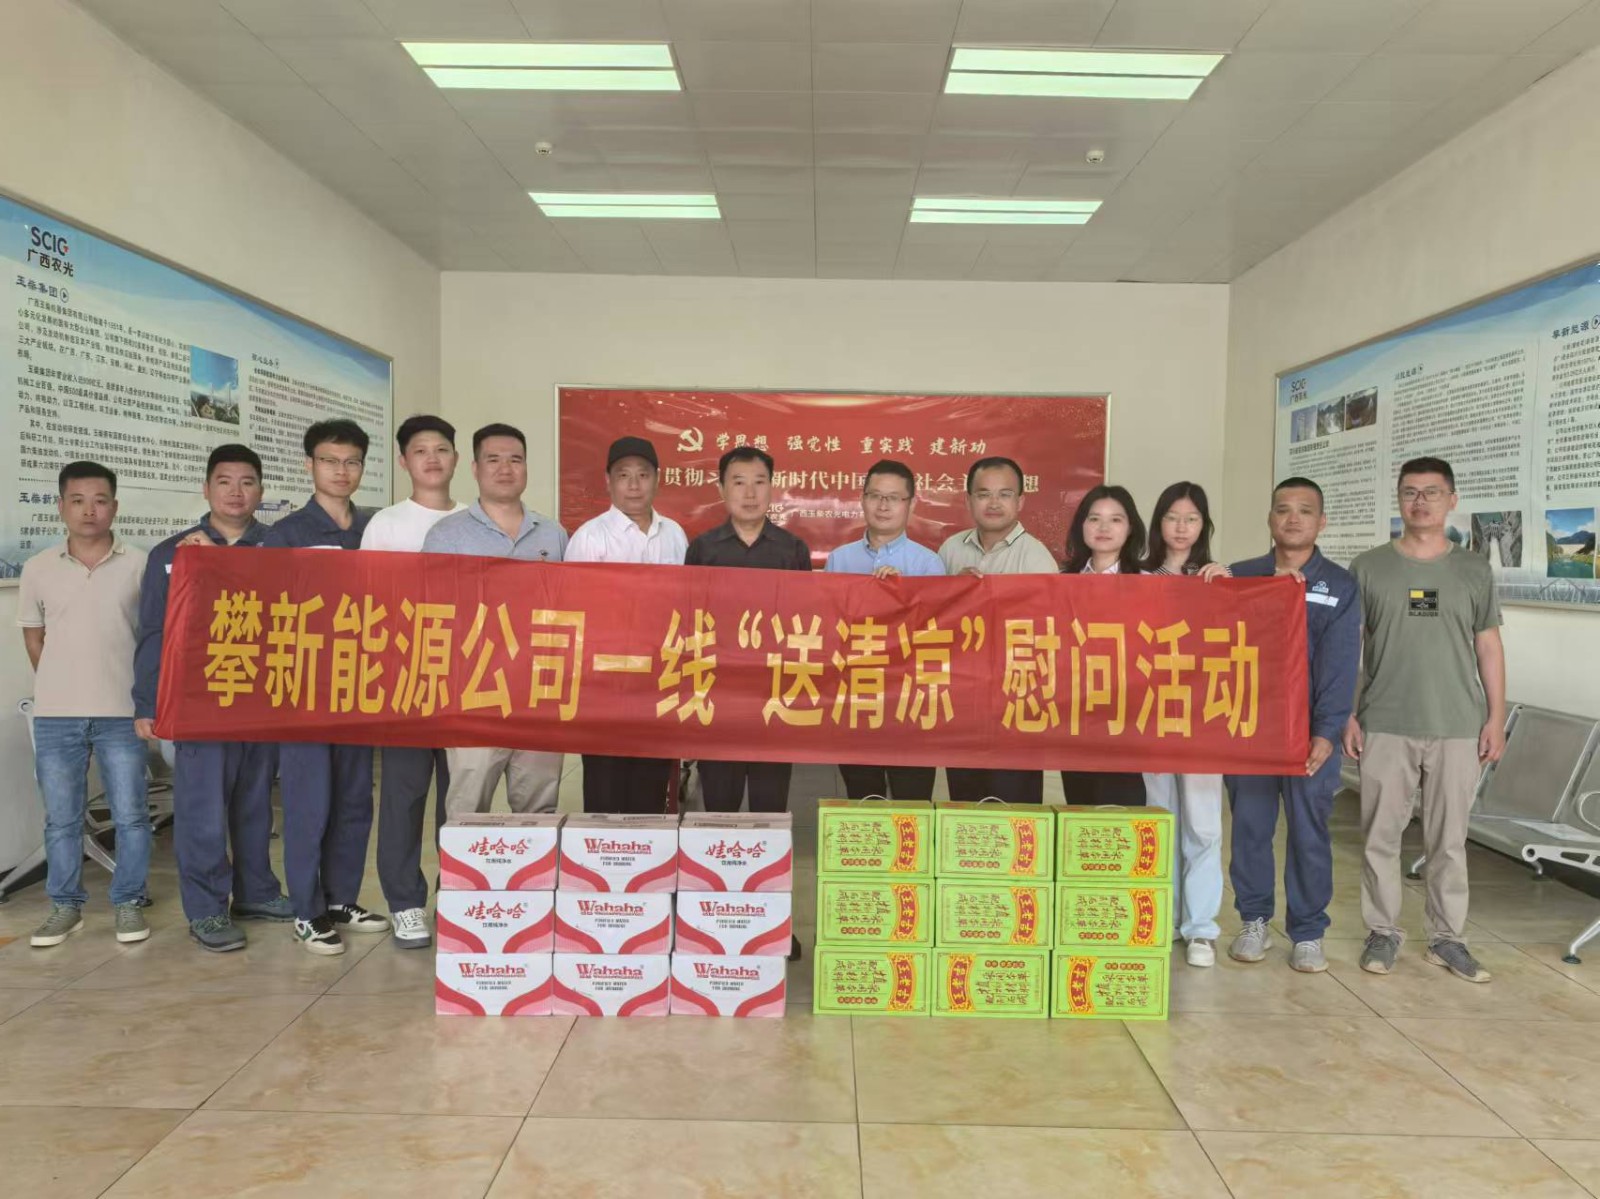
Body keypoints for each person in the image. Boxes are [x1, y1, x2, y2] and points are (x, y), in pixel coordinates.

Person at [1344, 457, 1505, 984]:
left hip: (1457, 724)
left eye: (1432, 492)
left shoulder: (1474, 569)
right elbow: (1352, 647)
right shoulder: (1369, 567)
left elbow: (1488, 645)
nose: (1420, 502)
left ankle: (1447, 938)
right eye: (1410, 492)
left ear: (1451, 500)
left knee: (1449, 840)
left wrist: (1495, 716)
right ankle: (1382, 931)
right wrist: (1348, 712)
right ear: (1399, 499)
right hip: (1384, 720)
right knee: (1380, 836)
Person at [133, 444, 290, 952]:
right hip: (198, 700)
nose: (236, 492)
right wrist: (146, 701)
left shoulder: (280, 548)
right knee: (202, 810)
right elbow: (154, 631)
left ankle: (256, 892)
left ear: (260, 491)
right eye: (224, 481)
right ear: (206, 489)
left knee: (255, 803)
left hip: (261, 697)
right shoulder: (172, 554)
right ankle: (205, 909)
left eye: (247, 482)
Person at [1211, 478, 1360, 973]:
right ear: (1270, 519)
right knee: (1250, 829)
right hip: (1250, 731)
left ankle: (1308, 931)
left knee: (1308, 832)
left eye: (1305, 510)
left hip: (1309, 737)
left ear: (1322, 522)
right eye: (1283, 509)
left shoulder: (1338, 585)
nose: (1293, 518)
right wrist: (1207, 583)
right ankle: (1253, 920)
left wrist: (1326, 731)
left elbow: (1341, 665)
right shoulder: (1241, 576)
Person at [262, 420, 389, 955]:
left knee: (355, 800)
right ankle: (306, 910)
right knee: (308, 803)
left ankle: (340, 899)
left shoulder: (375, 530)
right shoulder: (287, 534)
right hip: (307, 690)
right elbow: (266, 610)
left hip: (360, 685)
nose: (342, 471)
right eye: (330, 461)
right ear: (309, 465)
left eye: (352, 461)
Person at [19, 462, 151, 949]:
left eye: (99, 500)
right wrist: (61, 683)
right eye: (77, 500)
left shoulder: (139, 564)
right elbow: (35, 638)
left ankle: (129, 901)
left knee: (131, 815)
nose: (89, 510)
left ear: (115, 506)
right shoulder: (38, 568)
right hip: (57, 716)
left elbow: (150, 639)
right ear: (61, 507)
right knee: (61, 819)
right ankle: (65, 907)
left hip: (122, 712)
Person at [422, 423, 567, 825]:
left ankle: (533, 871)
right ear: (474, 468)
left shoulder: (553, 534)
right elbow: (431, 613)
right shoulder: (446, 536)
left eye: (515, 460)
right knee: (467, 813)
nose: (505, 468)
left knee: (540, 814)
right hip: (474, 695)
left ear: (526, 468)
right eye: (494, 459)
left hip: (538, 695)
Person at [360, 415, 466, 950]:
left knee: (462, 797)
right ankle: (404, 903)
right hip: (404, 680)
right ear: (404, 461)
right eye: (421, 450)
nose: (432, 458)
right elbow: (369, 602)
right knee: (403, 797)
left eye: (441, 449)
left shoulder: (474, 519)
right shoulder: (386, 524)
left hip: (467, 679)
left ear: (456, 459)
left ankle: (458, 893)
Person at [686, 445, 811, 814]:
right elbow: (690, 622)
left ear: (772, 488)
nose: (750, 493)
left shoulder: (792, 550)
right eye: (739, 482)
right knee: (719, 804)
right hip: (718, 695)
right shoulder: (703, 549)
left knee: (769, 804)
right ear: (721, 489)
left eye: (760, 482)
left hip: (773, 696)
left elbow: (806, 622)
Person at [565, 435, 687, 813]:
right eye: (623, 475)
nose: (634, 485)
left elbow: (686, 607)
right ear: (608, 481)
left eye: (643, 475)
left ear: (657, 479)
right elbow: (574, 612)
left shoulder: (675, 534)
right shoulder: (589, 537)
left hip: (658, 682)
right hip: (605, 685)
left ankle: (646, 852)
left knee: (650, 787)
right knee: (605, 787)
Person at [1138, 481, 1226, 967]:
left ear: (1203, 526)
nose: (1181, 527)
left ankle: (1201, 929)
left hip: (1202, 717)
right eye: (1172, 517)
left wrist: (1230, 589)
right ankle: (1165, 918)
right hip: (1151, 715)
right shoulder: (1138, 577)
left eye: (1191, 519)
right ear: (1158, 523)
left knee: (1203, 824)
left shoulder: (1217, 578)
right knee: (1160, 817)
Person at [938, 456, 1058, 804]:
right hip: (962, 698)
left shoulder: (1036, 558)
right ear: (968, 500)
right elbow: (932, 620)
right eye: (983, 494)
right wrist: (950, 590)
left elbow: (1047, 633)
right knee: (966, 800)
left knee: (1014, 802)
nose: (993, 503)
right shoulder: (950, 550)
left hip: (1015, 700)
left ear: (1020, 501)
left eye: (1004, 494)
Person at [825, 459, 944, 801]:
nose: (883, 505)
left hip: (911, 705)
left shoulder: (929, 563)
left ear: (911, 504)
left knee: (912, 802)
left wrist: (903, 596)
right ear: (862, 499)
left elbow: (938, 635)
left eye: (894, 498)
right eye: (875, 496)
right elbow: (829, 629)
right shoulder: (839, 560)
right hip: (857, 702)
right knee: (864, 800)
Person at [1058, 484, 1148, 809]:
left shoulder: (1149, 583)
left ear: (1130, 528)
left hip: (1126, 716)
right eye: (1094, 518)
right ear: (1081, 526)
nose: (1104, 527)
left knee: (1121, 807)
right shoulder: (1060, 582)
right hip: (1074, 715)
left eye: (1115, 519)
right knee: (1081, 809)